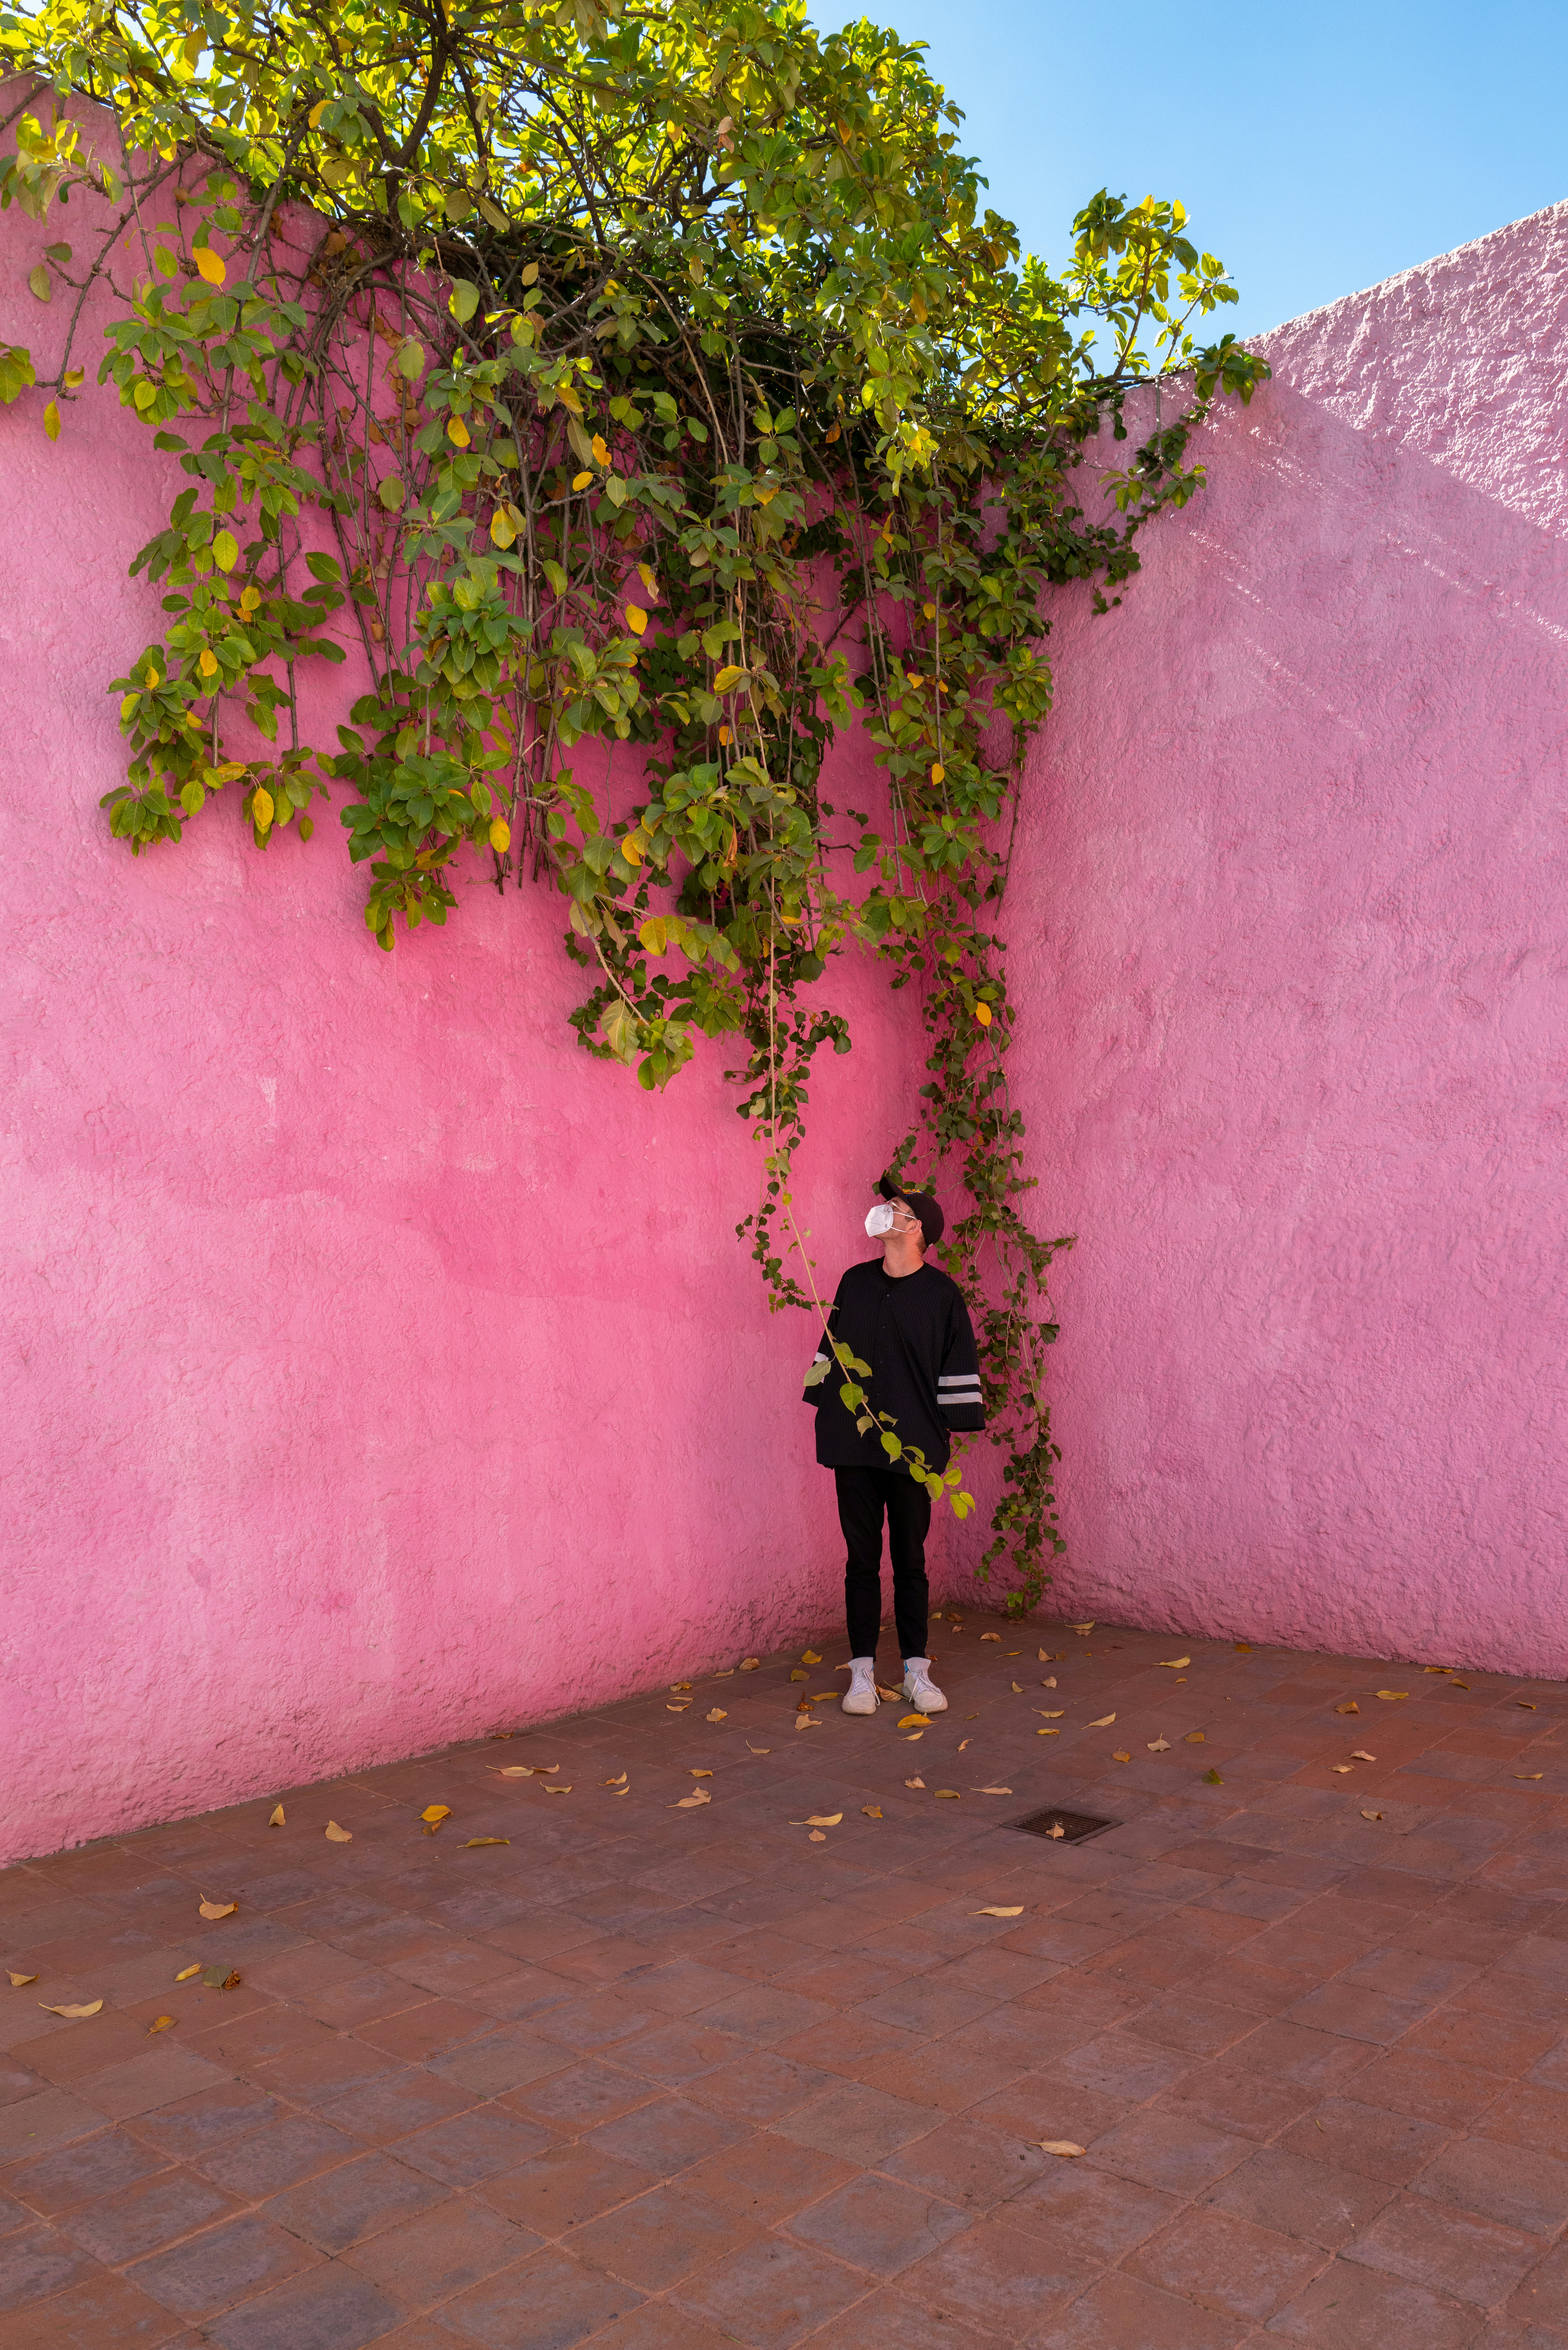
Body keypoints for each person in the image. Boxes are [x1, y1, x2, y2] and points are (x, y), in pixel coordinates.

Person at [804, 1176, 986, 1716]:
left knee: (910, 1560)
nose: (885, 1213)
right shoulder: (854, 1283)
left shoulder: (941, 1295)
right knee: (862, 1560)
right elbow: (831, 1351)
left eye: (897, 1209)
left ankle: (915, 1671)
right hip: (852, 1444)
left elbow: (958, 1368)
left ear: (918, 1231)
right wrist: (824, 1402)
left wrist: (945, 1433)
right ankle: (861, 1673)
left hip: (913, 1450)